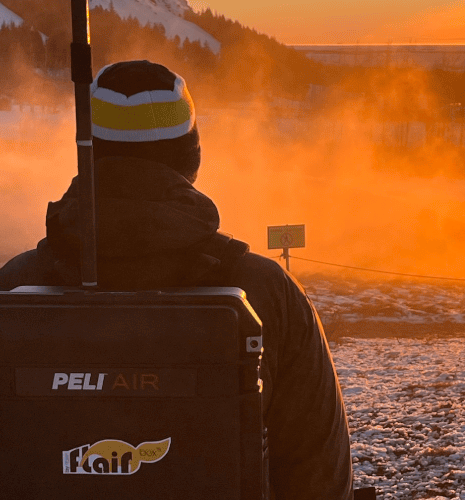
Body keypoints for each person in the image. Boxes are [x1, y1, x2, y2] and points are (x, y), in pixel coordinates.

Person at [0, 60, 353, 499]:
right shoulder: (266, 292)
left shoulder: (13, 288)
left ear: (89, 154)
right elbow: (318, 475)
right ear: (192, 157)